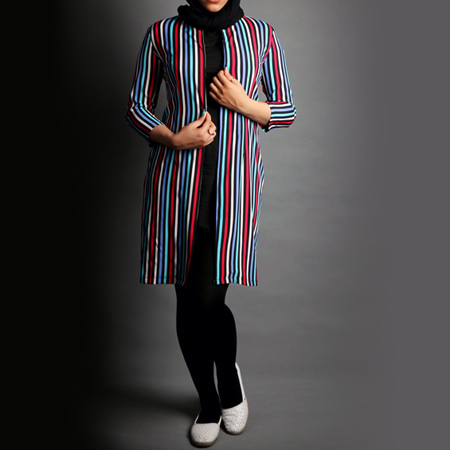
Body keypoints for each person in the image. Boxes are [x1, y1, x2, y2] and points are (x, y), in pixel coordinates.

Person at [126, 0, 295, 446]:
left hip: (234, 189)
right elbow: (136, 106)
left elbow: (286, 109)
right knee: (187, 301)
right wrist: (173, 137)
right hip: (176, 186)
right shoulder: (162, 34)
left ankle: (229, 379)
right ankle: (208, 402)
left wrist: (243, 103)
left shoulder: (261, 34)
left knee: (207, 299)